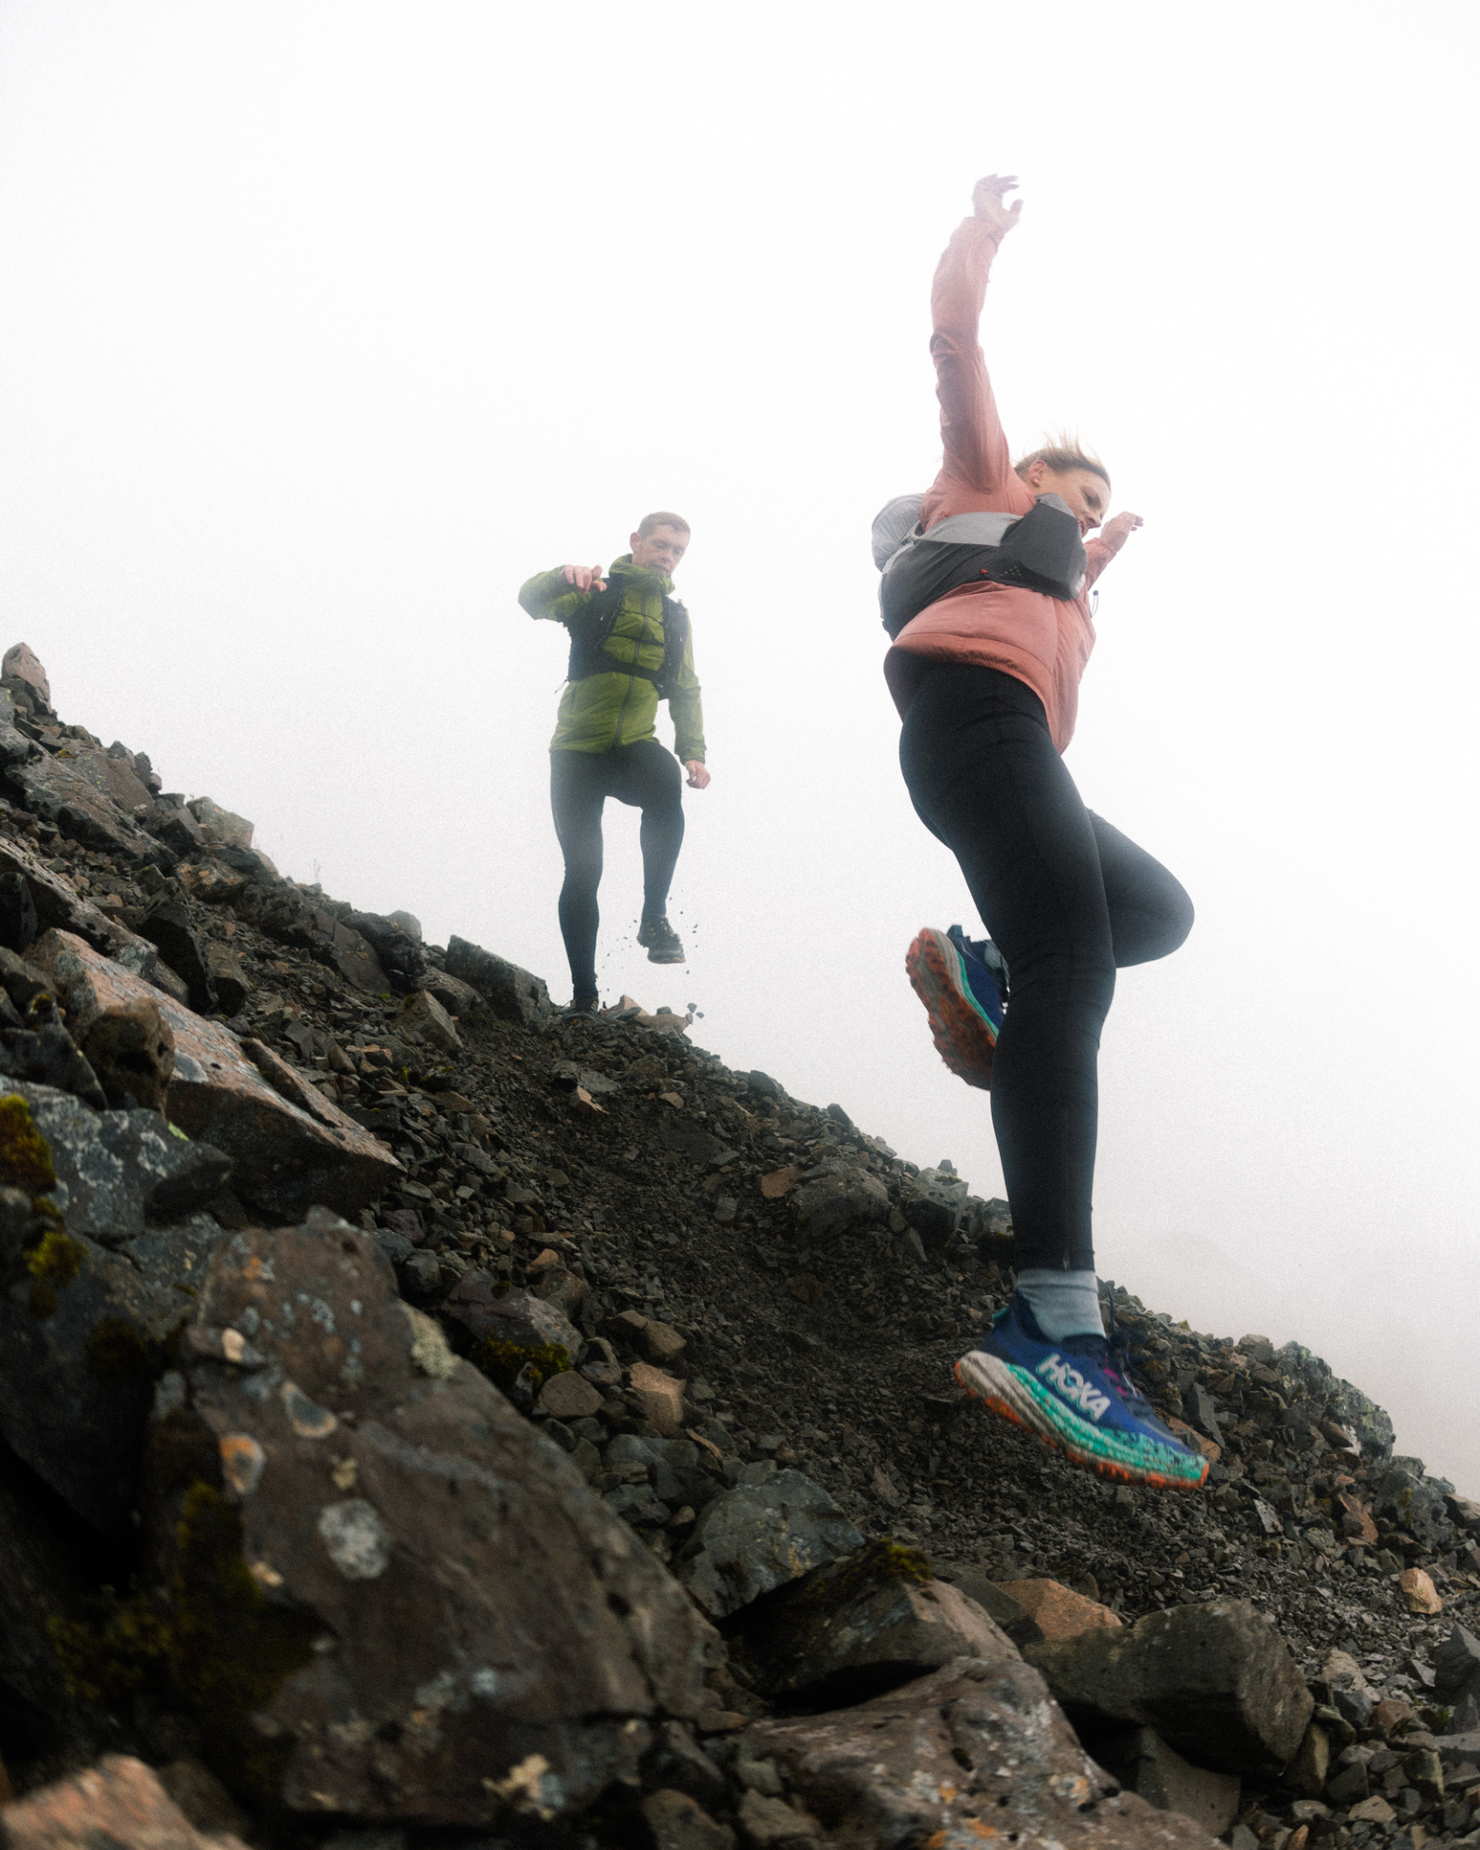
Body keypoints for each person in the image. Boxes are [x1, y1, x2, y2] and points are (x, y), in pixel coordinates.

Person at [877, 176, 1205, 1490]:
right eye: (1070, 485)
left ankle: (992, 978)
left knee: (1158, 912)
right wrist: (981, 239)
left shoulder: (1058, 567)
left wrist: (1099, 549)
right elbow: (957, 341)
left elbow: (1058, 585)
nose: (1081, 506)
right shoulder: (980, 484)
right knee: (1080, 967)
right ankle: (1053, 1328)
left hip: (1012, 755)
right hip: (977, 730)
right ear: (1022, 477)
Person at [519, 513, 709, 1018]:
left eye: (677, 551)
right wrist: (563, 574)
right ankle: (584, 998)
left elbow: (686, 687)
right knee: (583, 869)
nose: (667, 556)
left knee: (666, 782)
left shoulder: (675, 618)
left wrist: (693, 749)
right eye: (660, 545)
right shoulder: (596, 592)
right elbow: (529, 600)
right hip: (578, 751)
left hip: (632, 748)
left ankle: (654, 918)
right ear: (636, 542)